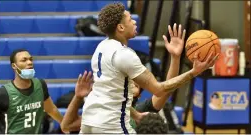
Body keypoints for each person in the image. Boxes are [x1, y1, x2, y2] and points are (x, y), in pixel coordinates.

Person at [67, 3, 218, 134]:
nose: (134, 21)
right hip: (111, 125)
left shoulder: (101, 48)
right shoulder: (124, 54)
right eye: (130, 19)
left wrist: (175, 57)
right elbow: (159, 90)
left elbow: (110, 96)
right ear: (120, 27)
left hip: (89, 121)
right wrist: (194, 72)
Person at [0, 49, 64, 134]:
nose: (29, 62)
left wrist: (65, 125)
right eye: (24, 60)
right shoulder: (3, 93)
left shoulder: (40, 84)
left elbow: (50, 109)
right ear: (14, 66)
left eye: (31, 59)